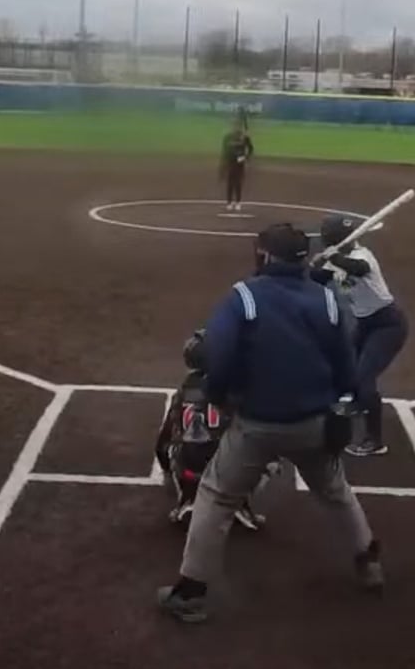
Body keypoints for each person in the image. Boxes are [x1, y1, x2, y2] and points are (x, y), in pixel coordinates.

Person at [156, 223, 383, 624]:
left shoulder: (244, 297)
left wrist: (220, 396)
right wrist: (339, 405)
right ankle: (368, 561)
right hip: (314, 422)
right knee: (336, 491)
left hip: (256, 426)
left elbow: (220, 359)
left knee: (217, 496)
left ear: (264, 255)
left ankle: (190, 593)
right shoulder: (327, 300)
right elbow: (346, 366)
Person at [153, 329, 272, 532]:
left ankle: (187, 499)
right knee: (268, 452)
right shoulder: (235, 388)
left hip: (189, 472)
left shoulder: (184, 389)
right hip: (226, 471)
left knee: (177, 445)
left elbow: (163, 441)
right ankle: (240, 504)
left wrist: (166, 472)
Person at [314, 215, 409, 458]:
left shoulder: (362, 256)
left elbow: (358, 269)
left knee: (365, 378)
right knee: (346, 368)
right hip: (365, 324)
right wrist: (314, 265)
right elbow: (316, 280)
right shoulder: (335, 260)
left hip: (387, 325)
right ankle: (357, 403)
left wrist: (333, 257)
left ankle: (375, 441)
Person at [220, 119, 255, 211]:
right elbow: (224, 151)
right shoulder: (227, 137)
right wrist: (224, 163)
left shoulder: (244, 138)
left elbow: (251, 149)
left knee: (238, 183)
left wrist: (245, 157)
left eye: (238, 126)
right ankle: (229, 202)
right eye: (235, 126)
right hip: (230, 162)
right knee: (230, 183)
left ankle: (238, 202)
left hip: (239, 163)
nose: (236, 128)